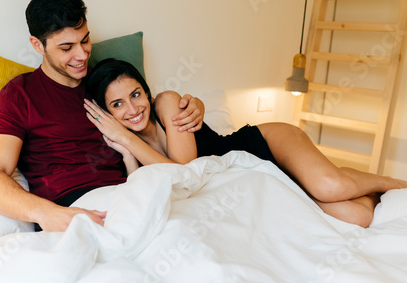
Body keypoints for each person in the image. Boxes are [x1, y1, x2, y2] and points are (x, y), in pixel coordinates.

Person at [0, 0, 206, 232]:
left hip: (131, 193)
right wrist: (46, 213)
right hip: (72, 206)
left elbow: (144, 114)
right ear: (37, 45)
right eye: (66, 48)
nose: (82, 54)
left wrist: (193, 106)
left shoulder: (104, 83)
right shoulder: (19, 95)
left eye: (85, 40)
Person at [84, 59, 407, 228]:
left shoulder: (167, 103)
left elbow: (184, 171)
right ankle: (367, 192)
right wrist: (125, 149)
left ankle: (394, 183)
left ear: (147, 90)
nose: (133, 108)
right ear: (107, 114)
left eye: (136, 94)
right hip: (254, 187)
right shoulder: (130, 150)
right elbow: (141, 187)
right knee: (356, 217)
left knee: (328, 185)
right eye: (117, 105)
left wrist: (125, 136)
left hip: (263, 146)